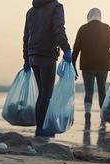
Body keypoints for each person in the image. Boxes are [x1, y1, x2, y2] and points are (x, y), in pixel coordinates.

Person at [72, 8, 110, 130]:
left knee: (89, 92)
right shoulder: (106, 28)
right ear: (99, 16)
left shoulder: (83, 29)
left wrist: (72, 65)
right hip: (103, 66)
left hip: (87, 66)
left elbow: (76, 48)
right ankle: (103, 118)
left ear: (89, 16)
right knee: (102, 91)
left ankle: (87, 115)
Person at [23, 0, 72, 138]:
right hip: (46, 54)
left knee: (42, 92)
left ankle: (40, 126)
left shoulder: (31, 11)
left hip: (33, 55)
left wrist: (26, 59)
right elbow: (59, 28)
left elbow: (26, 36)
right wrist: (66, 48)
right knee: (46, 93)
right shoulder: (56, 7)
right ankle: (41, 128)